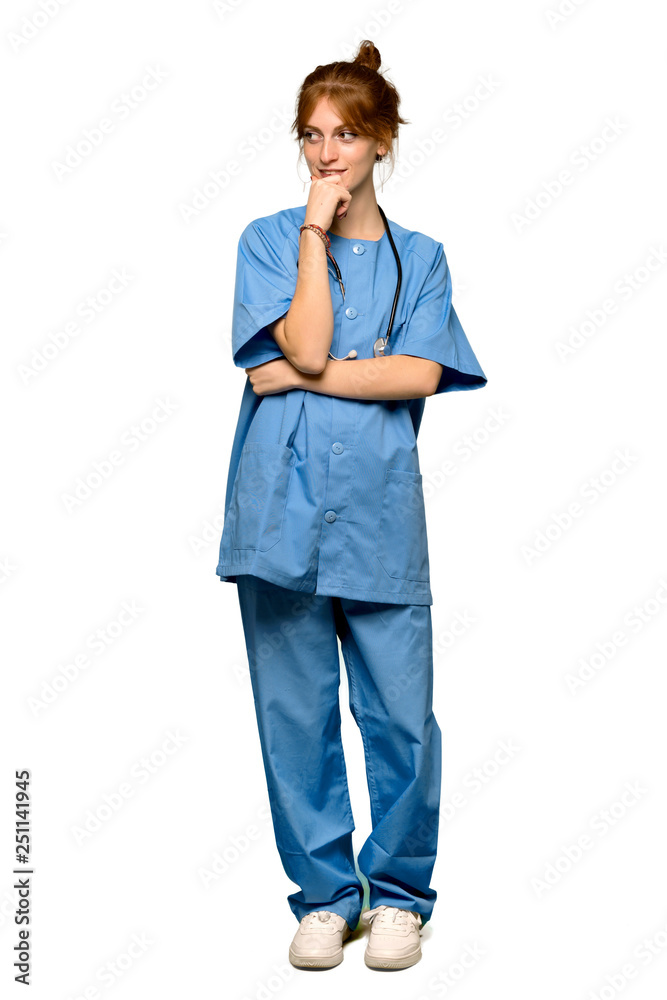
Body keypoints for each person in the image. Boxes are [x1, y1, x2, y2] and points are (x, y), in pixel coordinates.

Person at [215, 40, 488, 971]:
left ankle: (401, 897)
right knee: (293, 718)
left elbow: (416, 373)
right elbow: (299, 344)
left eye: (344, 135)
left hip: (377, 518)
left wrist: (304, 376)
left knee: (401, 719)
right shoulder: (267, 240)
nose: (325, 153)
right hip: (277, 516)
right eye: (310, 136)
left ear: (381, 141)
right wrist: (312, 233)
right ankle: (327, 899)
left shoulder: (423, 259)